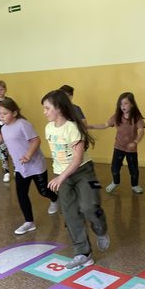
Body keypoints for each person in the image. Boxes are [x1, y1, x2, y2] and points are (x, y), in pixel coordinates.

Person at [42, 89, 109, 270]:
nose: (44, 112)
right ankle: (83, 254)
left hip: (83, 172)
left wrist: (61, 177)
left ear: (59, 108)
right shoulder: (49, 128)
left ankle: (101, 229)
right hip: (62, 175)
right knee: (70, 214)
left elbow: (78, 159)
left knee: (89, 207)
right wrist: (60, 176)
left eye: (47, 108)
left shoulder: (73, 128)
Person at [0, 97, 58, 235]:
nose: (2, 116)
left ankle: (55, 199)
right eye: (0, 113)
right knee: (21, 194)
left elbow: (36, 140)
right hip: (21, 168)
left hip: (35, 165)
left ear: (14, 113)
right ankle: (29, 222)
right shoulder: (3, 129)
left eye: (5, 113)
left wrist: (28, 155)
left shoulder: (22, 124)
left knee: (43, 191)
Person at [88, 92, 145, 194]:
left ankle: (135, 185)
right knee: (115, 168)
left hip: (131, 149)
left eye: (125, 103)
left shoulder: (136, 117)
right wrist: (90, 126)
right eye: (121, 104)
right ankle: (115, 182)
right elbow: (105, 125)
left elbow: (141, 131)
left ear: (132, 104)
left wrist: (135, 142)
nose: (123, 106)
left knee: (133, 169)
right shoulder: (116, 117)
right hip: (118, 147)